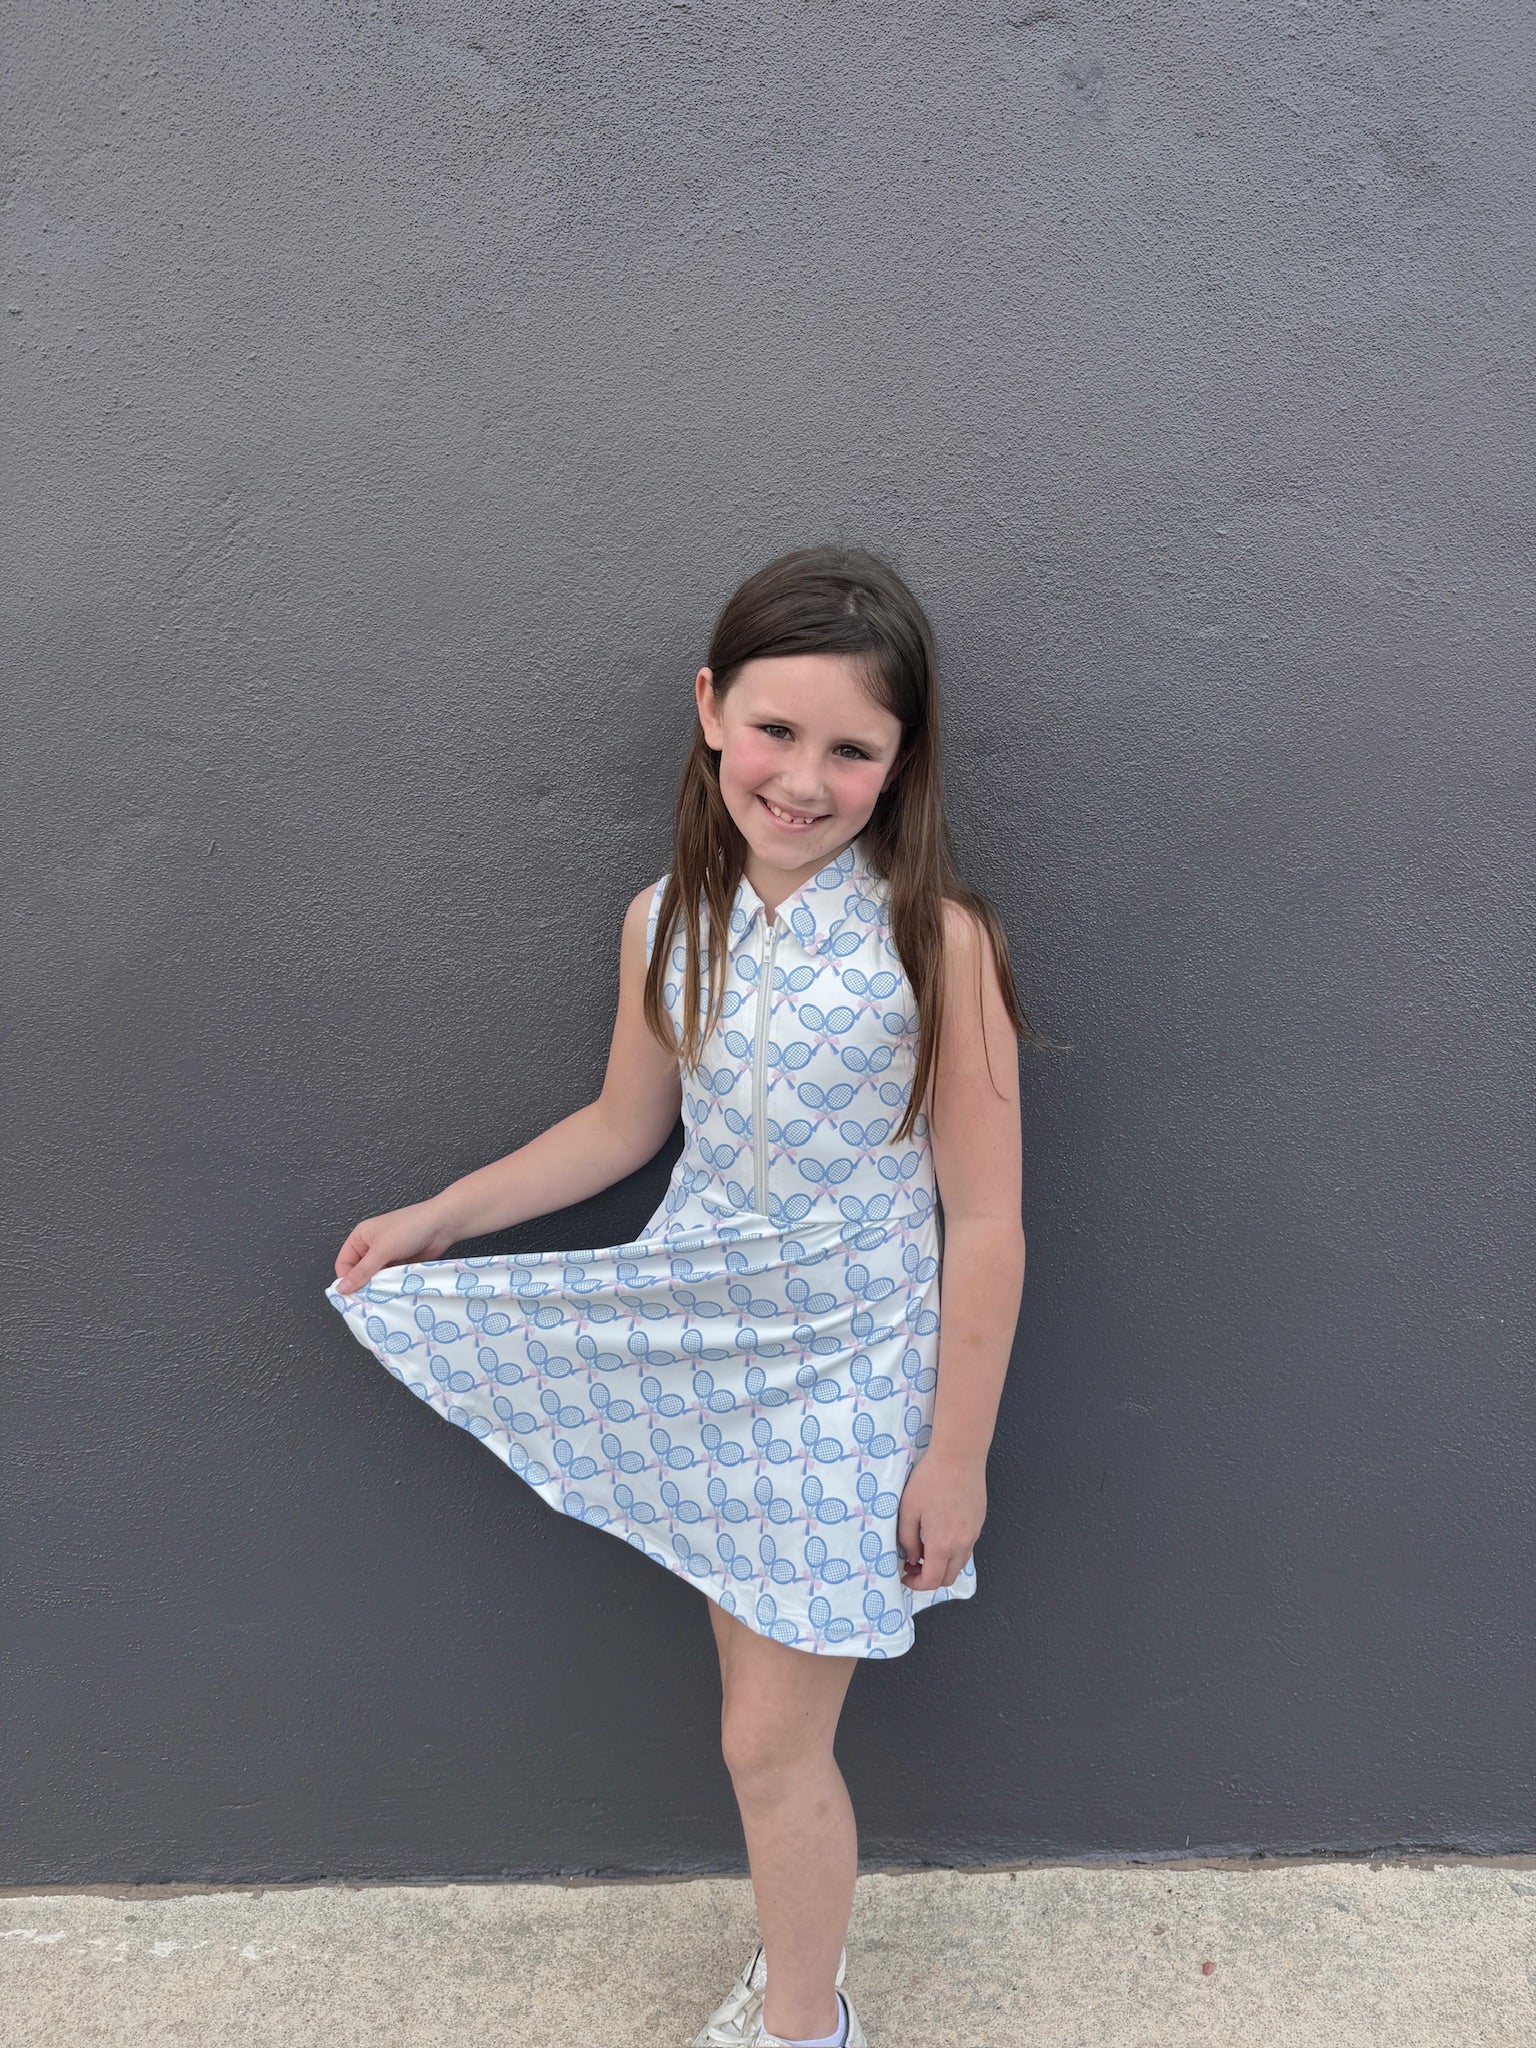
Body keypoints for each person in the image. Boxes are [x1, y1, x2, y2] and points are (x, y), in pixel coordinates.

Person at [326, 545, 1031, 2047]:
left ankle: (804, 2026)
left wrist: (955, 1453)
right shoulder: (667, 922)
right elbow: (620, 1127)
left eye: (853, 749)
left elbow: (985, 1222)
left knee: (769, 1745)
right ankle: (795, 1973)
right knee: (750, 1727)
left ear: (903, 761)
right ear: (711, 709)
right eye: (775, 730)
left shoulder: (936, 944)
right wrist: (439, 1218)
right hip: (701, 1337)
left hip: (850, 1368)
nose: (805, 779)